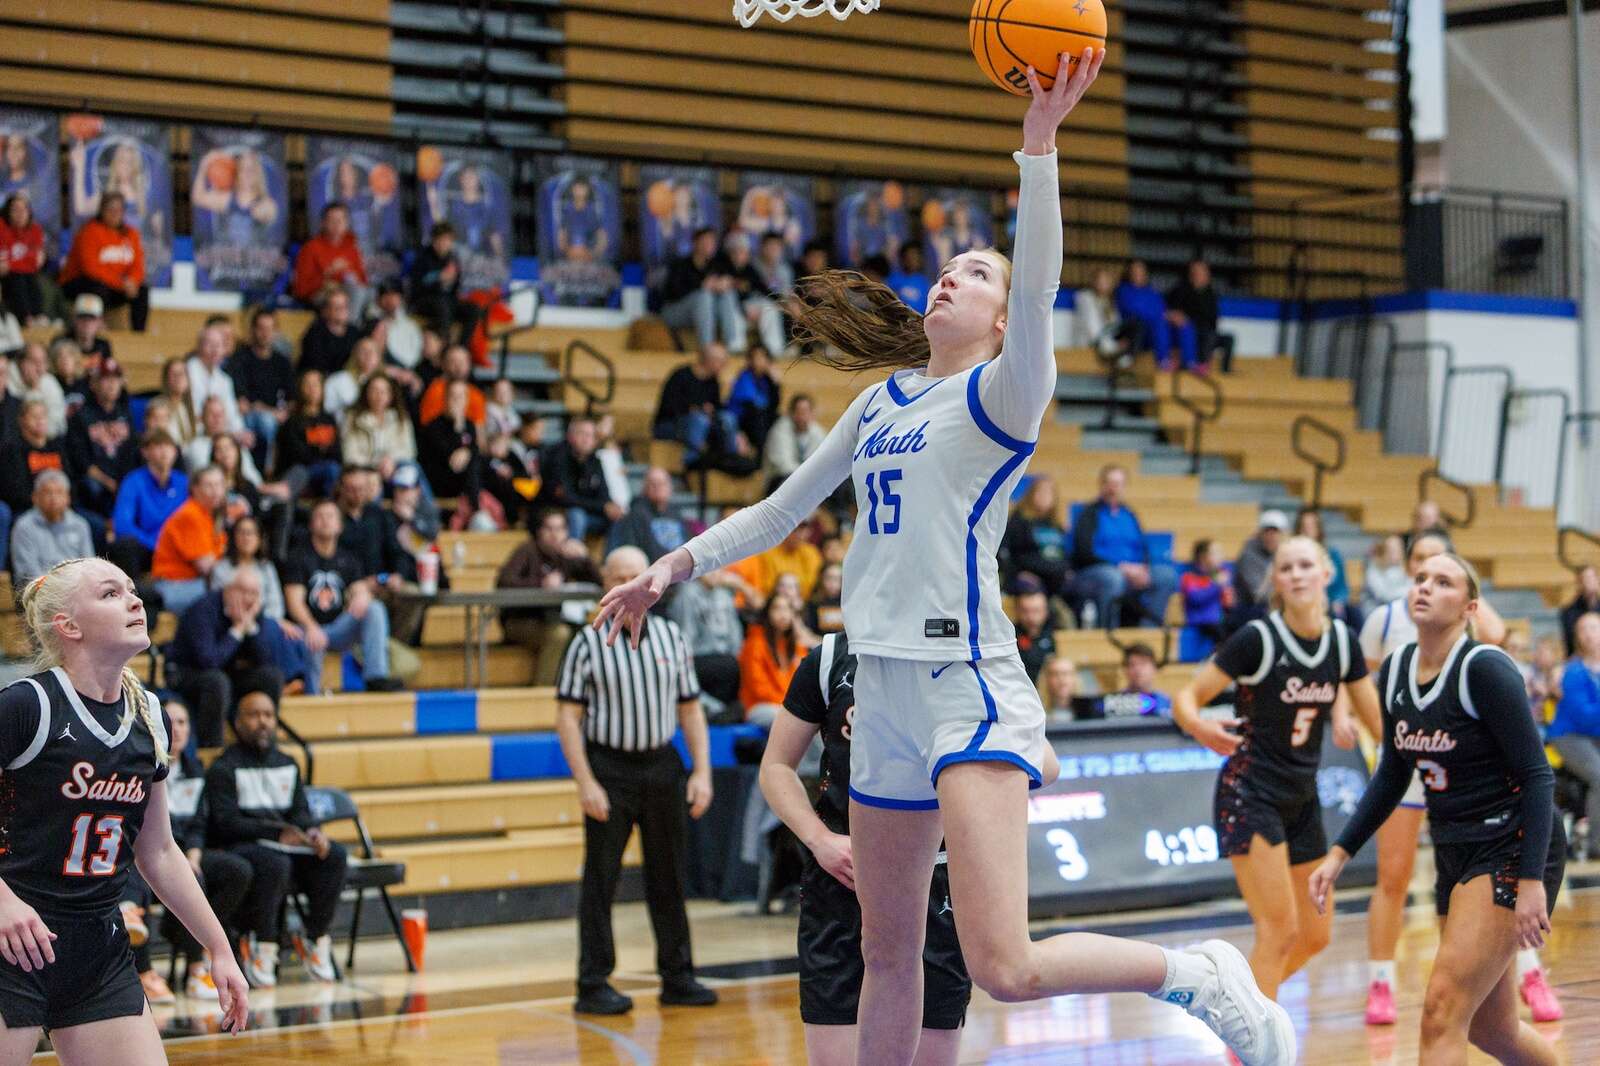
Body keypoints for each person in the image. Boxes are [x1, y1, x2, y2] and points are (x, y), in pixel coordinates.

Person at [590, 53, 1294, 1066]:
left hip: (964, 677)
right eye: (947, 266)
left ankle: (1194, 974)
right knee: (886, 953)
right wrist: (672, 567)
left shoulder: (1003, 395)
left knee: (1002, 963)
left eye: (975, 271)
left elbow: (1039, 280)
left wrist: (1039, 147)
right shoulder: (879, 402)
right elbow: (783, 509)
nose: (949, 275)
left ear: (1003, 320)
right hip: (878, 686)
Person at [1309, 552, 1565, 1066]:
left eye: (1443, 582)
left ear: (1470, 607)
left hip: (1508, 844)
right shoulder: (1396, 669)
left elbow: (1539, 776)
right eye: (1421, 578)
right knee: (1492, 1031)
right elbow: (1392, 772)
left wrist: (1531, 881)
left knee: (1441, 1012)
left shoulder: (1485, 669)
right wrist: (1340, 852)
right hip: (1454, 846)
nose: (1425, 586)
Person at [0, 558, 249, 1057]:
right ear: (69, 626)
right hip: (12, 940)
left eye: (132, 590)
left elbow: (157, 851)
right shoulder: (27, 706)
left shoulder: (150, 716)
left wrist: (219, 946)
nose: (135, 601)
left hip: (98, 948)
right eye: (110, 594)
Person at [1352, 530, 1543, 1024]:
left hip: (1467, 770)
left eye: (1442, 572)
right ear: (1406, 570)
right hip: (1415, 759)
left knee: (1458, 988)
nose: (1428, 582)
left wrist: (1468, 599)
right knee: (1393, 877)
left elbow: (1494, 634)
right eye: (1420, 568)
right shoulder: (1385, 622)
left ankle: (1531, 971)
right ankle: (1381, 981)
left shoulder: (1474, 647)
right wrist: (1375, 729)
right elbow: (1355, 680)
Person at [1172, 535, 1375, 1000]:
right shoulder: (1258, 639)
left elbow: (1380, 723)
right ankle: (1253, 1034)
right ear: (1276, 582)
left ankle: (1231, 1002)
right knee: (1279, 929)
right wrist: (1199, 726)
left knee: (1316, 934)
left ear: (1326, 574)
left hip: (1302, 797)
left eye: (1305, 565)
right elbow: (1186, 696)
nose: (1296, 575)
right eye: (1286, 568)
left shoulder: (1342, 642)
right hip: (1249, 792)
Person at [760, 630, 971, 1066]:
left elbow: (1040, 761)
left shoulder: (965, 650)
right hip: (841, 880)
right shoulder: (830, 657)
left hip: (935, 883)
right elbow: (776, 766)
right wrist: (819, 839)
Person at [555, 546, 717, 1016]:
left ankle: (678, 977)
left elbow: (691, 710)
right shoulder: (586, 642)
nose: (628, 584)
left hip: (662, 766)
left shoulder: (671, 636)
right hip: (609, 769)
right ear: (606, 584)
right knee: (601, 879)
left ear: (651, 583)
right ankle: (592, 983)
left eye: (636, 576)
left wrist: (702, 772)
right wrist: (585, 782)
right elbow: (567, 718)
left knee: (669, 876)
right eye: (618, 576)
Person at [205, 686, 348, 987]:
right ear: (238, 722)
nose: (263, 722)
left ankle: (315, 936)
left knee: (334, 855)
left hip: (286, 846)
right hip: (242, 846)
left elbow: (300, 813)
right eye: (254, 715)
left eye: (269, 715)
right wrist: (275, 833)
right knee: (274, 863)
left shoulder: (287, 763)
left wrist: (313, 833)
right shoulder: (223, 767)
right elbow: (225, 823)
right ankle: (264, 943)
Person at [128, 697, 252, 1002]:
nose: (177, 729)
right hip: (146, 853)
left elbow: (199, 822)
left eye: (183, 722)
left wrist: (194, 852)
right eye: (171, 722)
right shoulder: (140, 765)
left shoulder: (196, 770)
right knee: (181, 877)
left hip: (185, 851)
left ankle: (184, 931)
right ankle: (194, 967)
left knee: (237, 871)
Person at [165, 567, 301, 746]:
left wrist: (250, 629)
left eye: (254, 593)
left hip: (227, 674)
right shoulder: (202, 610)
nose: (249, 599)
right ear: (228, 590)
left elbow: (266, 660)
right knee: (217, 682)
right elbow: (208, 661)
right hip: (187, 673)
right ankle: (211, 748)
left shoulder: (253, 612)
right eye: (243, 591)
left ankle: (264, 742)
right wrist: (237, 630)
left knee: (272, 677)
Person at [282, 499, 403, 693]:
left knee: (374, 608)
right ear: (311, 524)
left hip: (338, 629)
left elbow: (359, 589)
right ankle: (312, 697)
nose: (325, 521)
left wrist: (362, 596)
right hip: (306, 628)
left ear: (339, 525)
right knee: (311, 641)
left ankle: (376, 677)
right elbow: (294, 602)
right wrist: (311, 627)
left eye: (330, 516)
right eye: (320, 516)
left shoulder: (348, 558)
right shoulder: (298, 557)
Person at [496, 509, 602, 687]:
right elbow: (504, 582)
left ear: (567, 532)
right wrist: (540, 584)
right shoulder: (527, 550)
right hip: (520, 620)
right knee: (559, 634)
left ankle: (581, 688)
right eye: (549, 529)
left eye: (560, 529)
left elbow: (599, 583)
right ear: (539, 531)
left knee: (588, 633)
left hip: (556, 618)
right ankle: (543, 691)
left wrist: (585, 558)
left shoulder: (566, 555)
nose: (555, 534)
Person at [1069, 464, 1180, 629]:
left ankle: (1149, 632)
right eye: (1110, 483)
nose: (1113, 489)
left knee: (1167, 576)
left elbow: (1143, 548)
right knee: (1113, 578)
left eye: (1118, 484)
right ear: (1102, 485)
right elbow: (1084, 552)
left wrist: (1143, 569)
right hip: (1097, 572)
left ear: (1124, 487)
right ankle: (1107, 632)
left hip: (1132, 572)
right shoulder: (1089, 513)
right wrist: (1121, 567)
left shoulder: (1130, 514)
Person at [1548, 612, 1600, 866]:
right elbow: (1584, 717)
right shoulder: (1573, 671)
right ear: (1578, 637)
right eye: (1583, 629)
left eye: (1594, 628)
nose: (1589, 634)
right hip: (1568, 736)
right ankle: (1596, 844)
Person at [59, 192, 148, 332]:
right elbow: (91, 268)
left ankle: (138, 333)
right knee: (97, 286)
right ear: (102, 210)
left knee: (141, 290)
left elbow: (137, 265)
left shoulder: (131, 234)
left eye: (119, 210)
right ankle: (96, 327)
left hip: (116, 286)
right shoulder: (89, 231)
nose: (115, 214)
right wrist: (121, 283)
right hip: (80, 283)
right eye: (110, 209)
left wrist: (132, 281)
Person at [108, 428, 187, 583]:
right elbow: (123, 524)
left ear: (175, 452)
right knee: (126, 544)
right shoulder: (133, 481)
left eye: (169, 446)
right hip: (146, 547)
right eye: (158, 446)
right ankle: (133, 591)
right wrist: (154, 544)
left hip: (176, 546)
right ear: (145, 452)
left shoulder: (183, 482)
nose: (164, 451)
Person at [653, 342, 748, 469]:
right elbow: (669, 407)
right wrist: (696, 409)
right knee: (699, 420)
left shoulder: (712, 381)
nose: (724, 366)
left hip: (700, 423)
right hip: (670, 424)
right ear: (710, 360)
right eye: (722, 362)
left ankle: (731, 458)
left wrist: (737, 432)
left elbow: (717, 407)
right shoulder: (681, 376)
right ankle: (692, 461)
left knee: (727, 418)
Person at [64, 358, 135, 522]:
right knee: (92, 487)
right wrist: (110, 483)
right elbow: (81, 462)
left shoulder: (125, 414)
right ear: (93, 384)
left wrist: (124, 483)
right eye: (106, 379)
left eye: (116, 379)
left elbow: (132, 452)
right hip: (96, 481)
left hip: (121, 478)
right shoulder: (81, 416)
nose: (111, 385)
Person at [537, 415, 620, 541]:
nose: (586, 439)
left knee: (618, 517)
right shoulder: (557, 458)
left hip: (589, 514)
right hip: (558, 514)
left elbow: (604, 494)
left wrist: (610, 507)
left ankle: (612, 554)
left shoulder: (595, 461)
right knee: (576, 515)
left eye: (590, 435)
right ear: (570, 436)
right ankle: (572, 551)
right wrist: (602, 506)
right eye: (582, 434)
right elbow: (566, 498)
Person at [0, 402, 71, 548]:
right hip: (27, 509)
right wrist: (44, 503)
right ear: (22, 420)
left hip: (60, 506)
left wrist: (61, 502)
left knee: (92, 524)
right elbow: (14, 491)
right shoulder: (12, 449)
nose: (40, 420)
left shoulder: (57, 447)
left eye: (43, 416)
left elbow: (70, 482)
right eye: (34, 416)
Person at [230, 308, 293, 471]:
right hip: (249, 417)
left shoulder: (282, 362)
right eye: (261, 328)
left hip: (276, 415)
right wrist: (270, 411)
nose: (265, 334)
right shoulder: (240, 358)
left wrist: (285, 411)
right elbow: (243, 404)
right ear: (253, 330)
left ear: (276, 332)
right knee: (266, 421)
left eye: (270, 329)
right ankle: (266, 471)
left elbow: (291, 398)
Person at [657, 227, 740, 349]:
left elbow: (738, 282)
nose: (710, 245)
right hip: (674, 311)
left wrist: (723, 284)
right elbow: (672, 292)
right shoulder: (681, 264)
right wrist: (702, 285)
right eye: (706, 241)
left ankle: (733, 344)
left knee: (727, 294)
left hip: (704, 313)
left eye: (712, 242)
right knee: (704, 296)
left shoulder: (717, 264)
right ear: (695, 243)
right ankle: (707, 348)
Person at [9, 470, 94, 588]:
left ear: (68, 498)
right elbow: (27, 574)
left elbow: (89, 566)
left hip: (75, 590)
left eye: (59, 492)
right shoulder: (24, 526)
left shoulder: (80, 525)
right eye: (47, 492)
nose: (53, 498)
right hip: (38, 592)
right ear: (35, 497)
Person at [739, 595, 809, 728]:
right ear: (767, 613)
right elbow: (758, 688)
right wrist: (789, 706)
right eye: (777, 608)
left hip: (789, 707)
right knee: (792, 721)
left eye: (787, 609)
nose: (783, 614)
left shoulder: (797, 646)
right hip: (759, 706)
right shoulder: (755, 644)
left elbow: (804, 683)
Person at [1001, 475, 1072, 604]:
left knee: (1079, 589)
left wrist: (1066, 570)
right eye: (1040, 492)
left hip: (1055, 576)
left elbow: (1063, 555)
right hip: (1029, 575)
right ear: (1031, 495)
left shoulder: (1056, 524)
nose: (1044, 497)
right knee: (1034, 593)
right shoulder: (1019, 520)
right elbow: (1009, 553)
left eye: (1049, 493)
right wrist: (1018, 573)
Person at [292, 202, 370, 320]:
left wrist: (351, 275)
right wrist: (328, 272)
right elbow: (301, 289)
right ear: (323, 223)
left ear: (347, 223)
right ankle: (349, 328)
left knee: (370, 293)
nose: (337, 225)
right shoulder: (311, 247)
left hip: (347, 291)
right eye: (332, 220)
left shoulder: (352, 247)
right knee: (353, 294)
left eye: (341, 220)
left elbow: (363, 281)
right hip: (321, 294)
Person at [274, 369, 343, 500]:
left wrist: (317, 450)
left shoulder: (329, 420)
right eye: (307, 384)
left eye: (316, 385)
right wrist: (321, 450)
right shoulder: (292, 421)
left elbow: (337, 452)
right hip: (299, 472)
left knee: (334, 469)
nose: (312, 389)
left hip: (326, 469)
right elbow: (296, 455)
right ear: (300, 388)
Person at [1115, 258, 1194, 371]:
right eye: (1134, 271)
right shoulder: (1123, 291)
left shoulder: (1153, 292)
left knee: (1184, 323)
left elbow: (1164, 310)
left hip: (1162, 333)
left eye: (1141, 271)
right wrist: (1165, 315)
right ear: (1128, 273)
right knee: (1159, 323)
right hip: (1142, 334)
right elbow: (1135, 312)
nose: (1138, 273)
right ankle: (1163, 362)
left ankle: (1189, 363)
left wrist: (1174, 316)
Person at [606, 466, 696, 561]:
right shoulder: (635, 514)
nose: (658, 487)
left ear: (670, 487)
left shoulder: (676, 513)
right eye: (653, 484)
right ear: (644, 488)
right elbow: (632, 551)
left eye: (662, 483)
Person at [409, 222, 479, 343]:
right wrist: (439, 277)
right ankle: (444, 346)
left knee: (473, 309)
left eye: (448, 240)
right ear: (434, 240)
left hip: (447, 300)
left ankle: (461, 348)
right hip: (424, 300)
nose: (444, 243)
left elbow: (455, 287)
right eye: (441, 239)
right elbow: (418, 285)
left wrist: (452, 280)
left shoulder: (452, 258)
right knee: (443, 306)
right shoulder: (423, 257)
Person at [419, 379, 484, 505]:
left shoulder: (469, 424)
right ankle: (476, 506)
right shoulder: (433, 426)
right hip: (441, 479)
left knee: (481, 462)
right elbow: (448, 455)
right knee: (472, 462)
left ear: (467, 400)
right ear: (445, 399)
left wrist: (467, 452)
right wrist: (458, 427)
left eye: (461, 396)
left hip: (465, 479)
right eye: (453, 396)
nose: (457, 400)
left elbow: (475, 449)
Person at [341, 372, 416, 480]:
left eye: (383, 391)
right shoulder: (352, 419)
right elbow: (349, 454)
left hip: (394, 467)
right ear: (366, 393)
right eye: (374, 390)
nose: (379, 395)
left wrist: (390, 460)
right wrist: (377, 464)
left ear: (391, 395)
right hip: (364, 470)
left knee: (411, 470)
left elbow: (409, 450)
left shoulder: (401, 418)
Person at [1165, 258, 1234, 371]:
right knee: (1204, 335)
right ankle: (1201, 364)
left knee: (1227, 338)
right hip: (1189, 330)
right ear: (1191, 273)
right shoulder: (1181, 290)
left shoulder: (1211, 294)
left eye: (1203, 271)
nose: (1200, 274)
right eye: (1196, 271)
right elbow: (1171, 311)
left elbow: (1213, 319)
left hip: (1207, 331)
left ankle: (1225, 371)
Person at [724, 233, 787, 354]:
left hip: (748, 308)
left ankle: (774, 350)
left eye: (743, 252)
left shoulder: (749, 269)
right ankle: (736, 350)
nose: (739, 255)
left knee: (769, 307)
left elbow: (763, 289)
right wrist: (744, 310)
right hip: (732, 311)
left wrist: (782, 301)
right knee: (733, 313)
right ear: (729, 253)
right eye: (736, 251)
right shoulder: (723, 269)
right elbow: (729, 299)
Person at [1295, 508, 1355, 626]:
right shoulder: (1293, 556)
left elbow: (1342, 586)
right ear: (1298, 530)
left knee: (1352, 613)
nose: (1307, 531)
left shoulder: (1332, 554)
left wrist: (1338, 600)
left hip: (1329, 604)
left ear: (1319, 529)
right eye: (1304, 527)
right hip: (1303, 602)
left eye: (1311, 526)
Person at [186, 324, 246, 438]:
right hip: (193, 433)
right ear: (199, 346)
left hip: (220, 434)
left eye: (218, 345)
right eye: (209, 344)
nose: (215, 350)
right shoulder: (187, 372)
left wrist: (240, 432)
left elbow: (232, 413)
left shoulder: (225, 380)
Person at [763, 393, 827, 491]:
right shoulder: (779, 430)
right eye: (799, 412)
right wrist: (808, 475)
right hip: (779, 480)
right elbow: (783, 465)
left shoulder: (817, 432)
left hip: (807, 479)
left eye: (805, 412)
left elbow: (821, 461)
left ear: (811, 413)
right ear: (791, 413)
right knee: (789, 482)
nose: (802, 416)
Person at [1180, 538, 1234, 652]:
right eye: (1216, 553)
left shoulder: (1221, 574)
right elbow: (1195, 598)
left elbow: (1229, 602)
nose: (1221, 557)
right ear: (1203, 557)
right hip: (1201, 620)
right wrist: (1216, 585)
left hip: (1220, 619)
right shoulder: (1190, 577)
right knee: (1221, 633)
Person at [726, 343, 782, 451]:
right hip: (741, 420)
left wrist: (775, 385)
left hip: (759, 418)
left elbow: (774, 406)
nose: (761, 361)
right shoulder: (745, 376)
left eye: (764, 357)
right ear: (750, 360)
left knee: (780, 419)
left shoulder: (766, 380)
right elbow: (751, 405)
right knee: (759, 417)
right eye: (757, 357)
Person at [0, 193, 46, 323]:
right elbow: (3, 266)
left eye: (24, 209)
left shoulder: (35, 230)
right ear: (8, 212)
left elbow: (34, 262)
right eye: (15, 209)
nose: (20, 214)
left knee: (31, 279)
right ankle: (25, 318)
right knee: (17, 279)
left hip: (25, 273)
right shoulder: (1, 228)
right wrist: (23, 263)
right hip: (8, 276)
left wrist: (12, 264)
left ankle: (39, 315)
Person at [298, 288, 361, 380]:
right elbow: (315, 366)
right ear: (325, 311)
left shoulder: (354, 331)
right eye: (337, 307)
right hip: (319, 379)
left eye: (345, 306)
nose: (342, 311)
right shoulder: (315, 333)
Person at [417, 344, 486, 427]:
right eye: (453, 361)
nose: (459, 366)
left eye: (463, 361)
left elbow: (479, 429)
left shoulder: (476, 394)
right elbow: (427, 427)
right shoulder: (434, 390)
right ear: (443, 364)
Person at [9, 341, 65, 436]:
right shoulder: (6, 380)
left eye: (43, 362)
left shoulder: (49, 382)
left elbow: (58, 424)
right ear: (20, 363)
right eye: (33, 361)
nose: (39, 367)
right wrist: (33, 390)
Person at [1072, 266, 1127, 359]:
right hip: (1087, 346)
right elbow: (1093, 331)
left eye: (1106, 281)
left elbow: (1115, 327)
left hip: (1106, 346)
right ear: (1094, 282)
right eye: (1100, 281)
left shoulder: (1110, 302)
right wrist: (1114, 346)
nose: (1103, 284)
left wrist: (1118, 343)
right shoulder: (1086, 298)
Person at [1011, 585, 1056, 682]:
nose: (1030, 617)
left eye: (1036, 611)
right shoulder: (1009, 636)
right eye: (1025, 611)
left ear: (1045, 611)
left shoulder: (1055, 634)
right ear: (1017, 611)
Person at [1559, 564, 1600, 657]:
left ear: (1597, 580)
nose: (1588, 583)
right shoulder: (1568, 612)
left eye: (1591, 578)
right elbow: (1569, 643)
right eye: (1584, 579)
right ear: (1579, 583)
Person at [1363, 533, 1409, 608]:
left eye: (1398, 548)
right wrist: (1406, 594)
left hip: (1400, 607)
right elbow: (1383, 595)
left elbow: (1412, 587)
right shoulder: (1374, 568)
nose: (1395, 552)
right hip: (1377, 608)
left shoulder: (1407, 567)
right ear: (1384, 551)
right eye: (1391, 549)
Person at [886, 243, 932, 313]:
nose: (912, 261)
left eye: (915, 257)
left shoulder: (924, 282)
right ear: (903, 259)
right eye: (909, 257)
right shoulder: (893, 279)